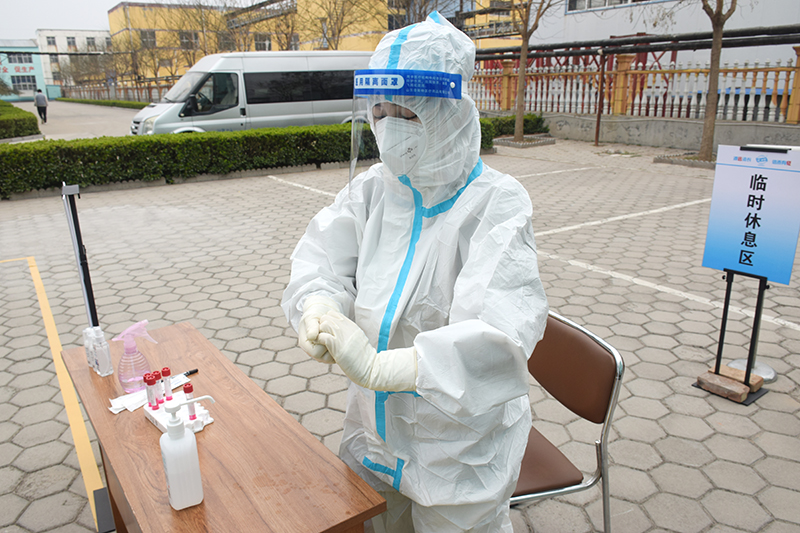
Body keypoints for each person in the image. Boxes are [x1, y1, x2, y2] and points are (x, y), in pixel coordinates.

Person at [281, 12, 548, 533]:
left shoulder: (496, 203)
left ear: (448, 111)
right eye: (379, 111)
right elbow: (321, 260)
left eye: (404, 111)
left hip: (458, 453)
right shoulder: (374, 190)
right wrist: (318, 305)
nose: (387, 126)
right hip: (373, 432)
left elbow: (500, 336)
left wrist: (384, 368)